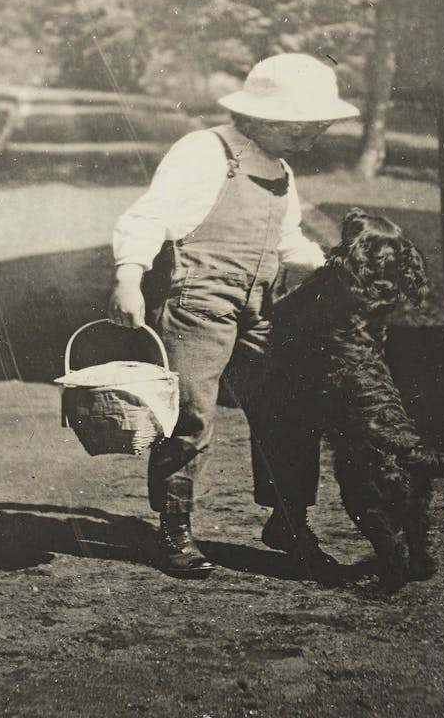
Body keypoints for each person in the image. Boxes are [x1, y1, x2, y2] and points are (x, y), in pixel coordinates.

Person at [108, 53, 359, 578]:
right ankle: (174, 529)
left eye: (318, 126)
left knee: (290, 404)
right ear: (265, 119)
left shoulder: (282, 169)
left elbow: (285, 239)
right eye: (302, 127)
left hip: (262, 306)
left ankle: (288, 520)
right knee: (191, 415)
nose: (313, 137)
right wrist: (128, 277)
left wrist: (334, 270)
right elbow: (149, 215)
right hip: (198, 303)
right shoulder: (204, 151)